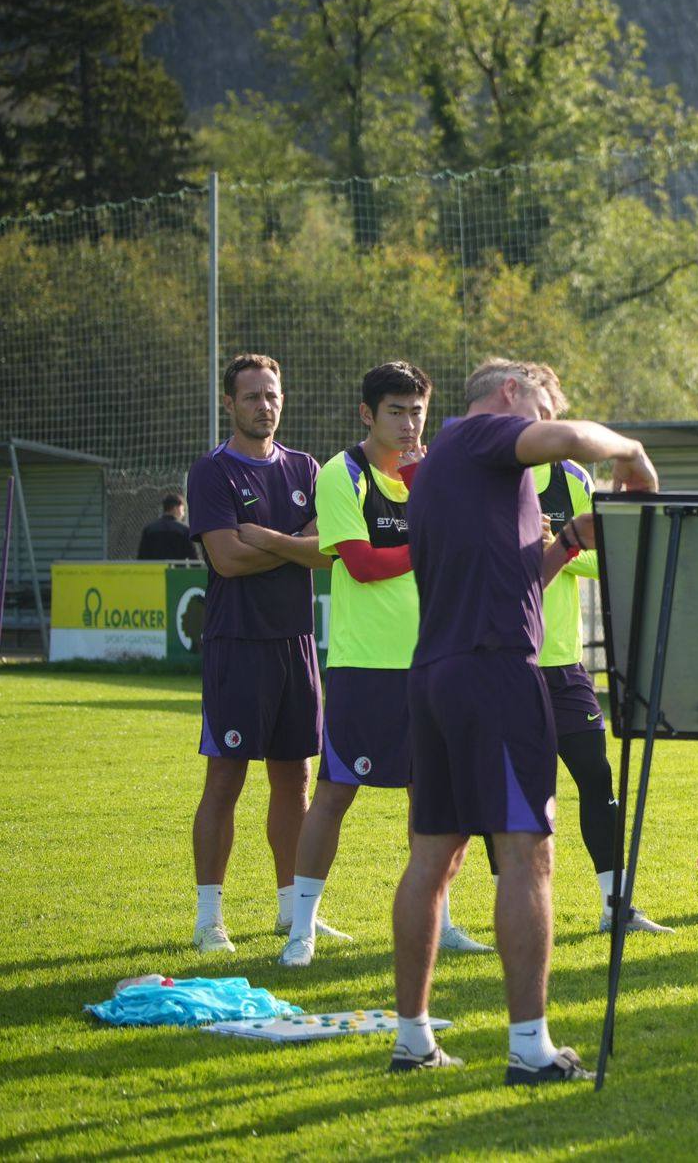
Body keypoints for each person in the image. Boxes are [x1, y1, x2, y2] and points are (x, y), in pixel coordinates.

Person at [389, 358, 657, 1082]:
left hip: (439, 672)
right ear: (510, 395)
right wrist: (630, 454)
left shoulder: (447, 463)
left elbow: (513, 578)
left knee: (434, 858)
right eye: (540, 405)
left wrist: (566, 542)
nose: (542, 420)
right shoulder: (482, 436)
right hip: (495, 671)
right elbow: (567, 439)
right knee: (527, 852)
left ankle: (412, 1039)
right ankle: (530, 1048)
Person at [277, 362, 433, 967]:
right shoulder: (342, 474)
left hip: (432, 664)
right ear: (367, 414)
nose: (408, 422)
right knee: (337, 792)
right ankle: (303, 930)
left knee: (433, 798)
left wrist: (424, 481)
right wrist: (429, 546)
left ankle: (439, 920)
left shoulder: (429, 476)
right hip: (364, 667)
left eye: (416, 410)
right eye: (395, 410)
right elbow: (362, 565)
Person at [184, 353, 329, 955]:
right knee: (225, 780)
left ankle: (292, 914)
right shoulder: (211, 472)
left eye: (271, 395)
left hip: (295, 643)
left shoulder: (306, 467)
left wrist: (268, 540)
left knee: (295, 780)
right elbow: (225, 559)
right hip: (236, 644)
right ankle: (207, 917)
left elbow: (330, 551)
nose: (263, 406)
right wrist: (295, 545)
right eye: (251, 397)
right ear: (229, 403)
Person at [528, 365, 669, 936]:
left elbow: (607, 554)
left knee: (596, 779)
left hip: (565, 664)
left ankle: (618, 907)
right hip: (506, 664)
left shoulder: (573, 479)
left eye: (547, 413)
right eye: (528, 413)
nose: (538, 423)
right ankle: (515, 907)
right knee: (518, 800)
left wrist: (555, 547)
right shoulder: (488, 477)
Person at [137, 493, 199, 560]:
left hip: (155, 569)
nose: (183, 514)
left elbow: (141, 557)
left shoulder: (149, 529)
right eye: (183, 510)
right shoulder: (184, 530)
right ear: (176, 508)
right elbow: (194, 557)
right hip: (177, 570)